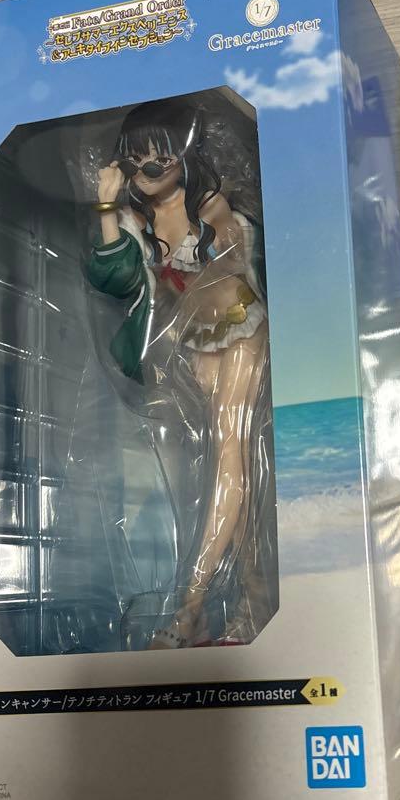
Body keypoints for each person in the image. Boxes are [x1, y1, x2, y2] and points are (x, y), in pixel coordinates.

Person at [86, 98, 271, 648]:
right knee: (229, 469)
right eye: (134, 161)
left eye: (158, 160)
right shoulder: (136, 220)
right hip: (195, 343)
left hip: (241, 325)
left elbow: (231, 255)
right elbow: (113, 276)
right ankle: (251, 602)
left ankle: (190, 606)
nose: (145, 172)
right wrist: (105, 205)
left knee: (230, 456)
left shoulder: (209, 204)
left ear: (182, 159)